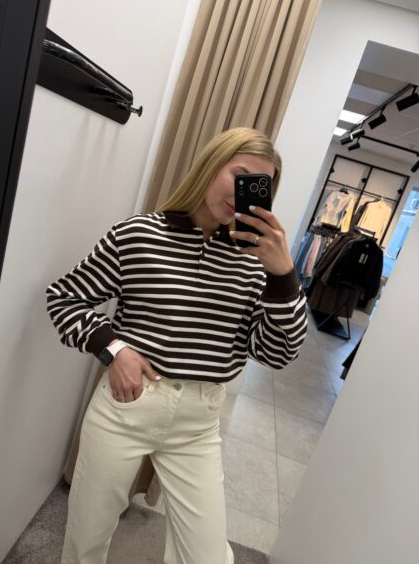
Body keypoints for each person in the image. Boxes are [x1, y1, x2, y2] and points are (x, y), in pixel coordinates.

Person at [46, 127, 308, 564]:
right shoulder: (138, 234)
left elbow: (277, 353)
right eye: (239, 175)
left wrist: (283, 276)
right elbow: (64, 298)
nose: (243, 193)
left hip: (198, 422)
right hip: (127, 406)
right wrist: (114, 350)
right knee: (86, 539)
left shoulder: (255, 264)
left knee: (206, 556)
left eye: (258, 185)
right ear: (211, 165)